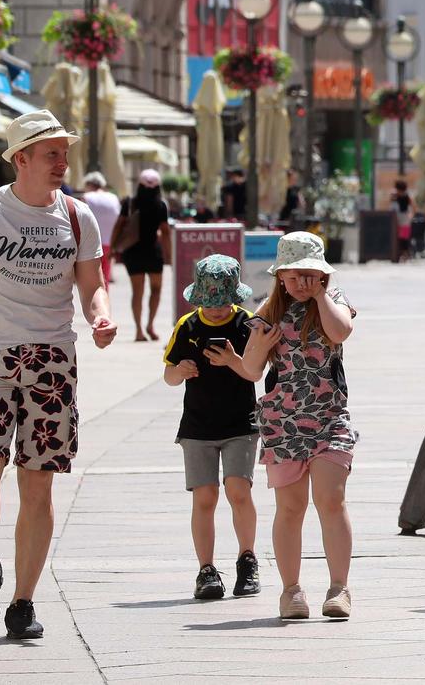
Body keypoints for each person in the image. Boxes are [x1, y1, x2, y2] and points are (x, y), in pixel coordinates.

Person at [0, 110, 115, 639]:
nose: (62, 162)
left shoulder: (77, 215)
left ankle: (24, 602)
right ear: (22, 159)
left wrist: (100, 315)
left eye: (64, 152)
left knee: (39, 482)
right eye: (51, 153)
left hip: (52, 361)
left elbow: (92, 284)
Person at [211, 232, 357, 620]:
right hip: (284, 424)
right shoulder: (268, 312)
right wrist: (256, 347)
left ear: (322, 274)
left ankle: (339, 589)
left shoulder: (334, 300)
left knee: (331, 500)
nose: (300, 284)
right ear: (280, 277)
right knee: (290, 508)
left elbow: (340, 332)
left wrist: (321, 295)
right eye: (292, 277)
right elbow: (251, 370)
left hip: (330, 418)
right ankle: (291, 591)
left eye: (308, 275)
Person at [163, 255, 262, 600]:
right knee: (204, 497)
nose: (217, 310)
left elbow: (255, 373)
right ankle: (206, 569)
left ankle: (247, 559)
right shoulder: (188, 326)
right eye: (210, 303)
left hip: (240, 423)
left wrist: (232, 360)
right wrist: (180, 371)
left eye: (222, 303)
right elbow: (168, 375)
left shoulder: (248, 323)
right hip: (198, 425)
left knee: (239, 490)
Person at [118, 170, 172, 343]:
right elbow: (165, 231)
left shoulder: (129, 203)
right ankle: (150, 325)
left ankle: (139, 330)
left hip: (132, 252)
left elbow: (119, 225)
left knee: (137, 292)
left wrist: (112, 248)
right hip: (153, 252)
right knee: (156, 289)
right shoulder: (160, 205)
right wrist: (169, 255)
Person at [80, 172, 122, 287]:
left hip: (90, 244)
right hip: (109, 243)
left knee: (91, 282)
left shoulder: (86, 197)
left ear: (89, 184)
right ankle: (105, 298)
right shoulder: (113, 198)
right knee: (105, 279)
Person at [390, 180, 414, 263]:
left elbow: (413, 206)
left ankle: (405, 254)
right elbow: (391, 205)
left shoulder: (407, 196)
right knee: (397, 237)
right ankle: (398, 254)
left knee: (404, 238)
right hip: (396, 218)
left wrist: (411, 215)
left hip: (405, 218)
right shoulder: (394, 196)